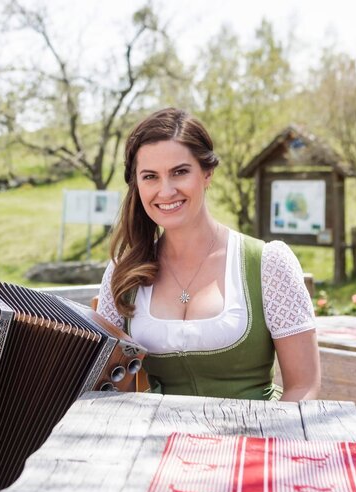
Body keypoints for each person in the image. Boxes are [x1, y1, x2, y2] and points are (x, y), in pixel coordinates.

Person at [97, 108, 320, 402]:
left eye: (180, 172)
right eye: (150, 176)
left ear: (207, 173)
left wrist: (261, 445)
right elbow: (101, 387)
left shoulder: (267, 263)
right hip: (160, 443)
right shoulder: (124, 274)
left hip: (250, 439)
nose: (166, 190)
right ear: (137, 185)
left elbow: (304, 387)